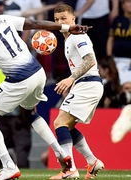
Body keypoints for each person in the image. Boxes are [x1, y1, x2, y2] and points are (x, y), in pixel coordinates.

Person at [0, 1, 90, 179]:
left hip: (19, 79)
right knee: (29, 113)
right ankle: (61, 153)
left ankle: (9, 166)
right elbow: (34, 24)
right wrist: (66, 27)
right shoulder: (2, 18)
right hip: (37, 72)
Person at [50, 4, 104, 179]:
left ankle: (70, 169)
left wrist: (71, 79)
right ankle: (92, 161)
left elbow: (90, 61)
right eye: (57, 20)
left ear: (73, 19)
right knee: (68, 125)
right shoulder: (68, 39)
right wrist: (73, 84)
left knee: (60, 123)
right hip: (84, 84)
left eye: (64, 18)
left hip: (88, 83)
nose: (60, 22)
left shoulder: (77, 36)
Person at [0, 67, 31, 168]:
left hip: (1, 115)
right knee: (22, 147)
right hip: (18, 115)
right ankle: (22, 171)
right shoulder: (19, 68)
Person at [107, 0, 131, 85]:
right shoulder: (117, 20)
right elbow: (110, 39)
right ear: (123, 5)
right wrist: (109, 58)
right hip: (116, 58)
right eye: (128, 2)